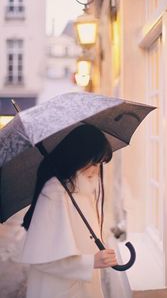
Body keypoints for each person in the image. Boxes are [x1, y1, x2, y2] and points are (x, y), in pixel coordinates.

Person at [17, 124, 118, 298]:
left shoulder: (84, 189)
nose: (96, 169)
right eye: (93, 161)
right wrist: (91, 262)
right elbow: (42, 259)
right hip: (58, 290)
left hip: (83, 288)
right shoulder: (54, 192)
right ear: (78, 157)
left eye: (100, 163)